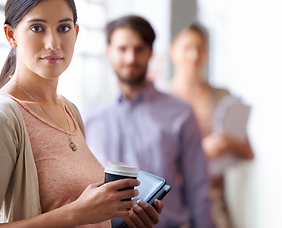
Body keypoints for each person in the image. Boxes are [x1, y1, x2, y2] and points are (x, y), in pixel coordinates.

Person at [0, 0, 163, 227]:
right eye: (37, 28)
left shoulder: (70, 111)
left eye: (64, 28)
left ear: (76, 33)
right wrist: (77, 213)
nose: (53, 43)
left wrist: (121, 220)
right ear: (11, 35)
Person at [84, 15, 215, 228]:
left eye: (139, 49)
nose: (130, 58)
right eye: (122, 49)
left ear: (151, 53)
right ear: (109, 51)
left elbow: (198, 189)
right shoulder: (86, 117)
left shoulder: (181, 113)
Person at [169, 23, 254, 228]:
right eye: (187, 47)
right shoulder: (161, 101)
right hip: (175, 201)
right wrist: (200, 152)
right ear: (173, 51)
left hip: (215, 199)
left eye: (200, 47)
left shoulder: (222, 97)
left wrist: (229, 142)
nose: (194, 54)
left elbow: (249, 152)